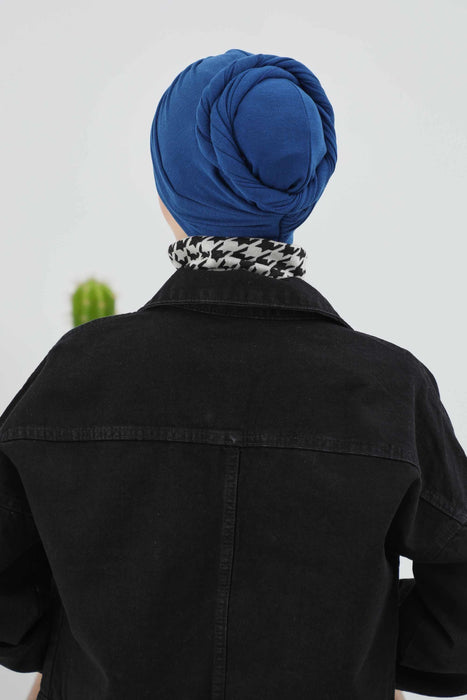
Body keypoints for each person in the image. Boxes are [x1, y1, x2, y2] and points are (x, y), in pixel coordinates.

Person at [2, 48, 467, 700]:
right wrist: (366, 647)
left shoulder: (75, 373)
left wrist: (63, 645)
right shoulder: (390, 390)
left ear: (172, 188)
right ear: (302, 190)